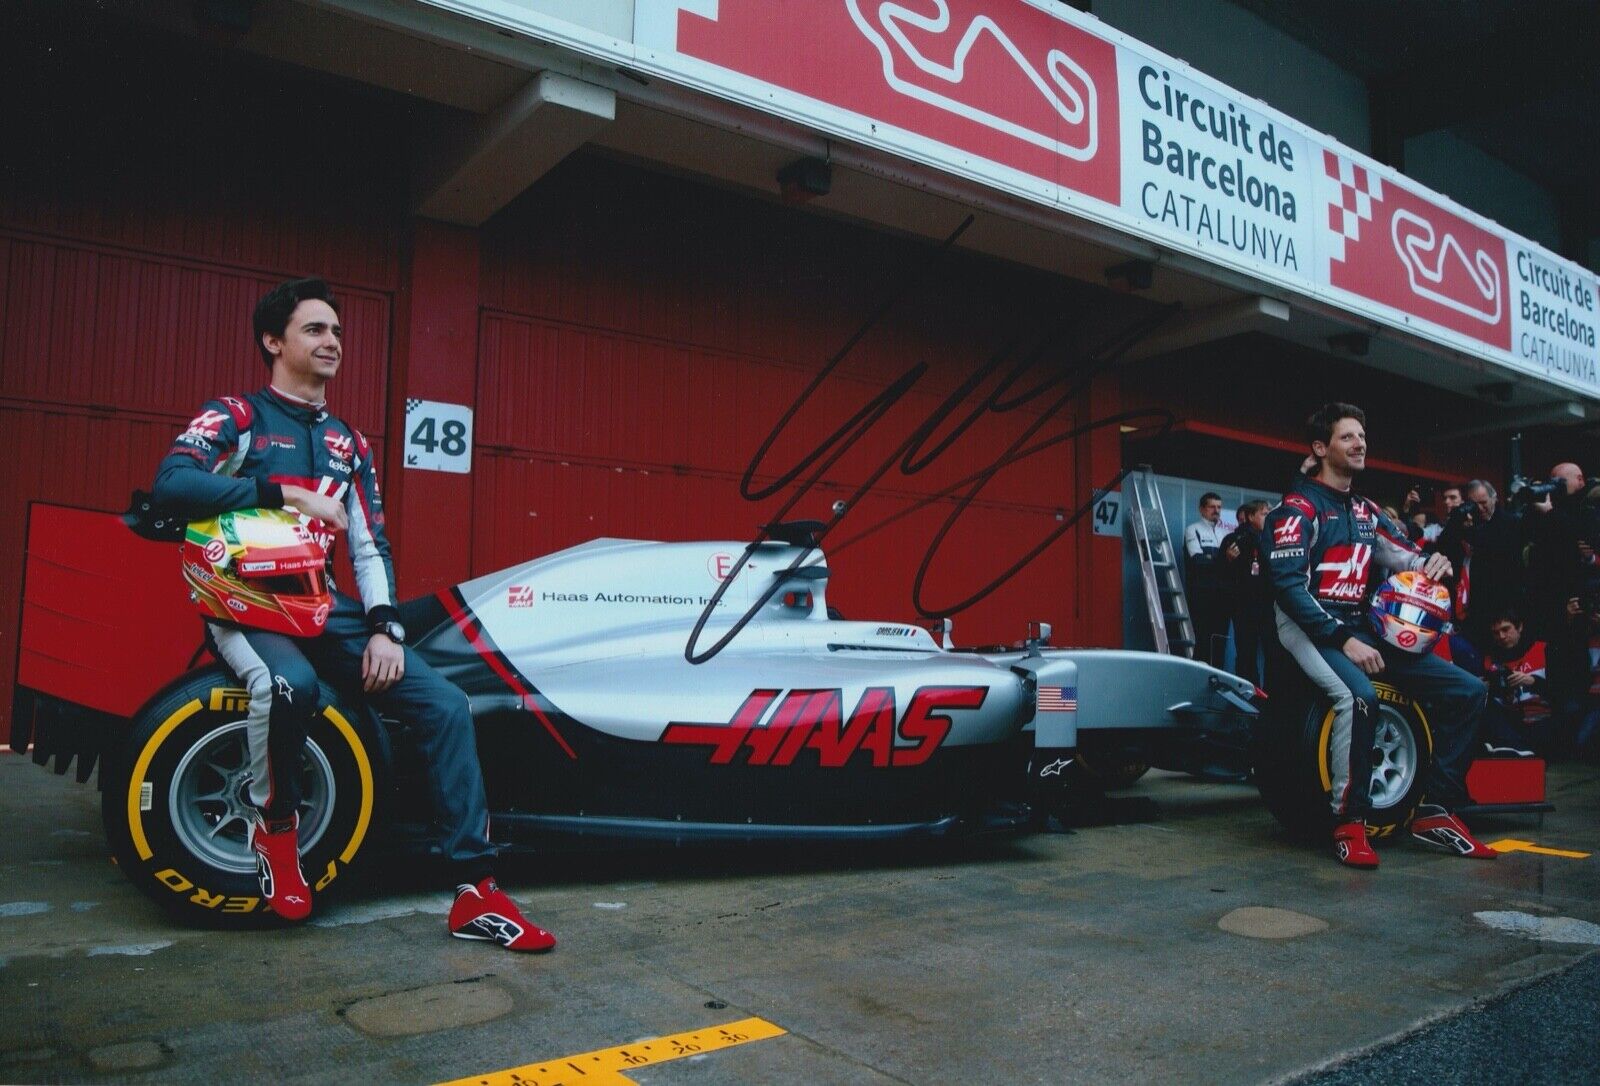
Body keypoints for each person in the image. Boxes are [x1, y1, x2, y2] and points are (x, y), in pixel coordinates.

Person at [153, 277, 555, 950]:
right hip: (244, 607)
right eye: (315, 329)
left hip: (321, 606)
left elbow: (370, 548)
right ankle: (275, 833)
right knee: (288, 687)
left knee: (446, 705)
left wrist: (383, 628)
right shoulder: (237, 417)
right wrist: (283, 494)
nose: (331, 341)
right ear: (273, 342)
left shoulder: (348, 442)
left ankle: (475, 894)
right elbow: (172, 484)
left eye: (337, 331)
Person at [1263, 402, 1495, 868]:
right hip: (1308, 626)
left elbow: (1407, 556)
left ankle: (1435, 809)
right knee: (1359, 697)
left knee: (1468, 691)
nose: (1359, 443)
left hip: (1360, 624)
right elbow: (1286, 586)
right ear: (1320, 448)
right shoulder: (1296, 509)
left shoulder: (1367, 512)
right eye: (1347, 437)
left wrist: (1433, 564)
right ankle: (1349, 823)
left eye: (1361, 436)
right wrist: (1341, 639)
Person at [1480, 610, 1553, 757]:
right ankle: (1511, 746)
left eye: (1506, 629)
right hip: (1511, 721)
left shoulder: (1543, 649)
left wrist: (1532, 681)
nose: (1501, 636)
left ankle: (1512, 746)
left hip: (1542, 719)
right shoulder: (1490, 661)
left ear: (1519, 627)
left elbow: (1564, 690)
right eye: (1496, 633)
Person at [1220, 500, 1271, 687]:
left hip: (1267, 607)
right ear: (1251, 517)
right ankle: (1248, 694)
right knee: (1246, 653)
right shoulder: (1234, 540)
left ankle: (1271, 697)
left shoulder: (1270, 540)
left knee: (1272, 652)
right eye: (1264, 514)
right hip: (1244, 607)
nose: (1268, 517)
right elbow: (1222, 573)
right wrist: (1228, 560)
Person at [1183, 492, 1229, 665]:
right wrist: (1223, 559)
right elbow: (1198, 560)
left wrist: (1214, 558)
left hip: (1222, 595)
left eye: (1219, 507)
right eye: (1212, 507)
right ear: (1202, 509)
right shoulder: (1193, 529)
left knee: (1220, 642)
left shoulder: (1226, 533)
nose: (1216, 511)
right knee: (1203, 641)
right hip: (1202, 595)